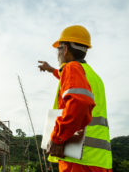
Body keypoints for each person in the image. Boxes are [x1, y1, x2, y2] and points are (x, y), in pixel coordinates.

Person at [38, 25, 112, 171]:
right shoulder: (93, 76)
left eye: (58, 49)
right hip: (99, 161)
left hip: (78, 159)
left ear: (65, 49)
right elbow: (69, 81)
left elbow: (79, 103)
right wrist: (52, 69)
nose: (57, 54)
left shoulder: (71, 68)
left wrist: (57, 138)